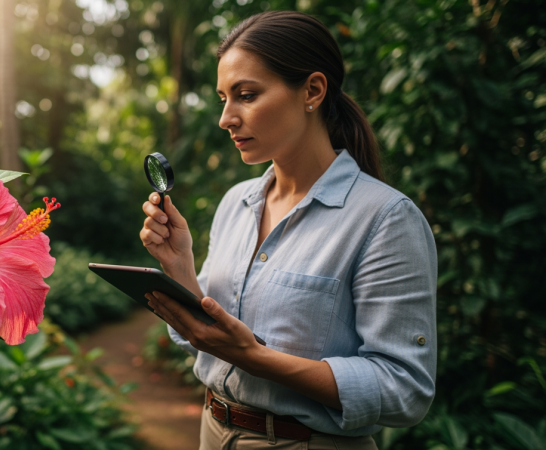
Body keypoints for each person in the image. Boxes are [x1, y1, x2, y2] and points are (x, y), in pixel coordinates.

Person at [139, 11, 437, 450]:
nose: (225, 118)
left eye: (246, 95)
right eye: (223, 98)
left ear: (312, 90)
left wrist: (257, 359)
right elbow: (204, 340)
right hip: (212, 432)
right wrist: (181, 269)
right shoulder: (235, 205)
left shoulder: (385, 219)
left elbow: (405, 390)